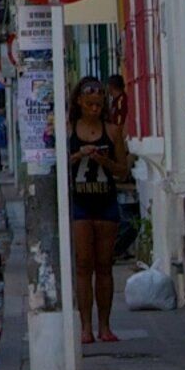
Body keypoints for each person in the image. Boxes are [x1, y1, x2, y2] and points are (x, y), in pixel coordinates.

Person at [67, 77, 129, 345]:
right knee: (83, 265)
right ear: (79, 102)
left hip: (105, 201)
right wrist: (78, 156)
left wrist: (104, 160)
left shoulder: (112, 131)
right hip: (80, 202)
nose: (94, 107)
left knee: (104, 265)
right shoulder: (69, 130)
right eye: (89, 102)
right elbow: (58, 164)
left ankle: (104, 325)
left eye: (98, 102)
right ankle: (85, 327)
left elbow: (123, 169)